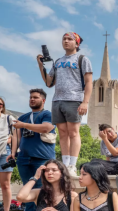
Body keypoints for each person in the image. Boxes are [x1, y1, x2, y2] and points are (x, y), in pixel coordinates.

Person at [36, 32, 93, 176]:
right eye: (64, 39)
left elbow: (89, 82)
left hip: (74, 99)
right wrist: (40, 65)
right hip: (57, 100)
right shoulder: (58, 61)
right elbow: (49, 82)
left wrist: (85, 102)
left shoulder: (82, 59)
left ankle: (73, 165)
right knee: (62, 133)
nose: (66, 41)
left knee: (73, 132)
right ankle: (65, 164)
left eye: (70, 39)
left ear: (77, 43)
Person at [13, 88, 56, 211]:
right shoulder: (23, 117)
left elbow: (46, 128)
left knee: (43, 188)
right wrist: (13, 153)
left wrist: (24, 125)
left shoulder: (48, 114)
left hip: (43, 158)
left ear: (43, 100)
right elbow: (17, 137)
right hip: (24, 158)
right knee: (27, 187)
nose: (32, 99)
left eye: (36, 97)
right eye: (31, 97)